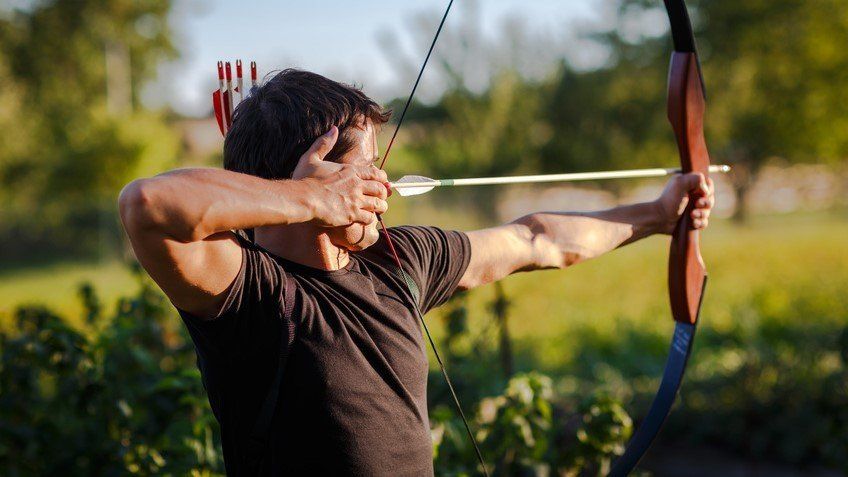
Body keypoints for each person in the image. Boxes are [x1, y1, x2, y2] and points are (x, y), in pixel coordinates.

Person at [118, 69, 715, 476]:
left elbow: (537, 239)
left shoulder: (400, 260)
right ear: (315, 177)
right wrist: (312, 201)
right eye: (365, 169)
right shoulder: (249, 292)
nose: (382, 186)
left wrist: (659, 215)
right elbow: (148, 204)